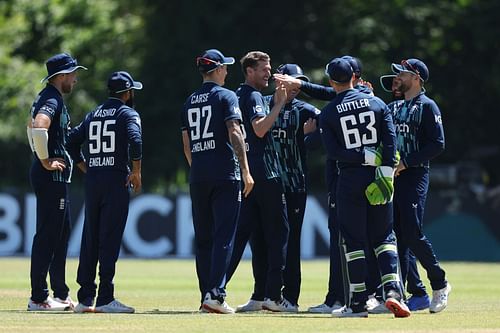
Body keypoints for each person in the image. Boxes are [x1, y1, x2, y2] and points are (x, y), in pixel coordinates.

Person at [320, 58, 409, 318]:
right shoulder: (379, 103)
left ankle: (358, 302)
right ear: (355, 78)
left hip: (349, 179)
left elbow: (334, 152)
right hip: (379, 176)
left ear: (330, 81)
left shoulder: (329, 111)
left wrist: (363, 157)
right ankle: (392, 292)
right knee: (385, 237)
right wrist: (385, 172)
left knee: (353, 240)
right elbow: (391, 142)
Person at [180, 49, 254, 314]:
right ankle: (216, 294)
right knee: (224, 237)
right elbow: (234, 131)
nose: (228, 72)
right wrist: (245, 170)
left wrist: (198, 167)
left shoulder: (189, 101)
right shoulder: (227, 96)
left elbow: (187, 144)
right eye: (225, 67)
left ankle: (205, 296)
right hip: (225, 174)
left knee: (203, 239)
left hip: (198, 175)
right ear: (218, 69)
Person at [66, 71, 143, 313]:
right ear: (128, 92)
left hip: (94, 180)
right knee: (109, 239)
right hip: (115, 181)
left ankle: (85, 298)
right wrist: (137, 171)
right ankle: (106, 298)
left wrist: (85, 167)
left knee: (90, 238)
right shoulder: (128, 113)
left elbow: (71, 141)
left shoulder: (93, 114)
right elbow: (136, 141)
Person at [224, 51, 290, 313]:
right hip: (266, 175)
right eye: (264, 69)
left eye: (269, 68)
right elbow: (260, 128)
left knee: (251, 238)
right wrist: (279, 104)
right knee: (278, 236)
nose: (268, 73)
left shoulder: (234, 95)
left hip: (246, 174)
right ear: (249, 71)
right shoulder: (251, 96)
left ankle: (221, 291)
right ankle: (274, 297)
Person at [26, 52, 87, 311]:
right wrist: (44, 159)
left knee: (61, 235)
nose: (75, 79)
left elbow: (30, 128)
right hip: (51, 175)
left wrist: (41, 156)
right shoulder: (51, 99)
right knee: (48, 236)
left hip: (55, 176)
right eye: (72, 74)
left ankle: (60, 294)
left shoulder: (48, 98)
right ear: (61, 76)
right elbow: (39, 127)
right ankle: (39, 297)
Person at [391, 58, 451, 313]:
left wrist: (405, 162)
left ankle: (440, 283)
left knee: (412, 233)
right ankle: (406, 294)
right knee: (398, 237)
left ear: (416, 78)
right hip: (392, 178)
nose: (397, 78)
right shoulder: (393, 107)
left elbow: (437, 143)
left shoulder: (428, 106)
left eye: (402, 74)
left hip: (414, 176)